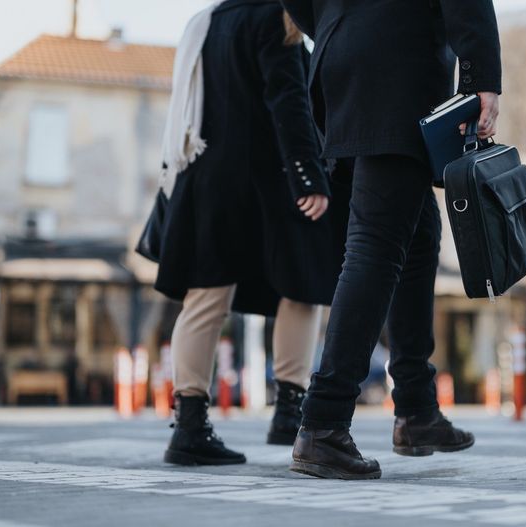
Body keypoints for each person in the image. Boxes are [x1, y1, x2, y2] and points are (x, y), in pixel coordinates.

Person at [281, 0, 502, 480]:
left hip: (346, 62)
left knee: (419, 236)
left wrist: (339, 22)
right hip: (397, 64)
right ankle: (323, 422)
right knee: (376, 245)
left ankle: (417, 410)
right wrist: (481, 76)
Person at [155, 0, 348, 466]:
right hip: (269, 180)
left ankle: (189, 424)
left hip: (208, 177)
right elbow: (289, 98)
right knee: (303, 287)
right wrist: (309, 176)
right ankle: (289, 409)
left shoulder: (208, 20)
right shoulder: (274, 16)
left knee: (205, 297)